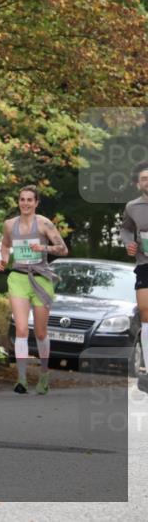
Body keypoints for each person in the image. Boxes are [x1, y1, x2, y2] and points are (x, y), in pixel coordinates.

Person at [0, 185, 68, 394]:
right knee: (21, 329)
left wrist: (43, 248)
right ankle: (22, 379)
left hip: (41, 278)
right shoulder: (9, 225)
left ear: (36, 203)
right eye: (22, 199)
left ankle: (44, 375)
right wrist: (4, 260)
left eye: (29, 200)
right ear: (18, 202)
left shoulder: (44, 224)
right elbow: (6, 245)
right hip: (18, 277)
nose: (25, 203)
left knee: (41, 332)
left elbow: (63, 249)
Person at [120, 161, 148, 390]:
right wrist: (129, 243)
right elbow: (126, 228)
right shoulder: (132, 207)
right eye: (144, 179)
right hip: (145, 263)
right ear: (138, 184)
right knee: (146, 311)